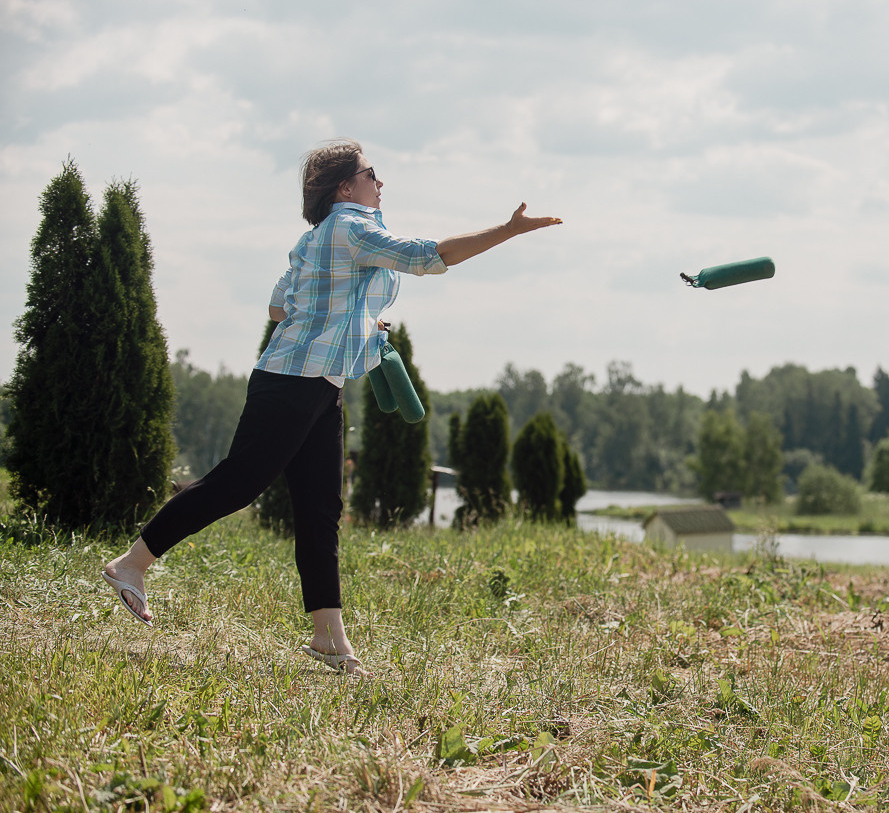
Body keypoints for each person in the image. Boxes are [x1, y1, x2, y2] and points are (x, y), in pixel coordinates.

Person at [102, 139, 561, 677]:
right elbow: (426, 257)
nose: (381, 182)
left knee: (320, 509)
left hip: (319, 382)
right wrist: (507, 231)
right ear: (346, 187)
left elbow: (278, 305)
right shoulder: (349, 228)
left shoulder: (316, 238)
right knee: (238, 483)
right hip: (291, 380)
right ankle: (131, 565)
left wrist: (355, 316)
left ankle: (329, 638)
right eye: (372, 173)